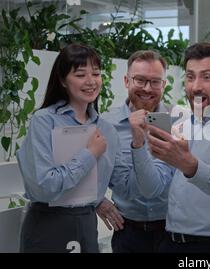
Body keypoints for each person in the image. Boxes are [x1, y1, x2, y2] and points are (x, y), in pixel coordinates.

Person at [130, 42, 210, 253]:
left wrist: (189, 165)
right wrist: (138, 143)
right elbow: (151, 189)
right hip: (169, 242)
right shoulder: (180, 125)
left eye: (206, 77)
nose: (196, 86)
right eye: (190, 77)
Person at [17, 44, 143, 253]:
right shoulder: (44, 121)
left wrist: (140, 146)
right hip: (47, 224)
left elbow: (125, 187)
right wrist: (90, 154)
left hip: (85, 224)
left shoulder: (106, 130)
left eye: (96, 73)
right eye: (80, 74)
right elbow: (46, 186)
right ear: (62, 80)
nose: (91, 81)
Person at [95, 50, 171, 252]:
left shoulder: (179, 121)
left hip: (172, 231)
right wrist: (98, 201)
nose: (147, 88)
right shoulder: (106, 124)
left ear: (164, 85)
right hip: (127, 231)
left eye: (155, 82)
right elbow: (86, 170)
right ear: (126, 80)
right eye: (140, 80)